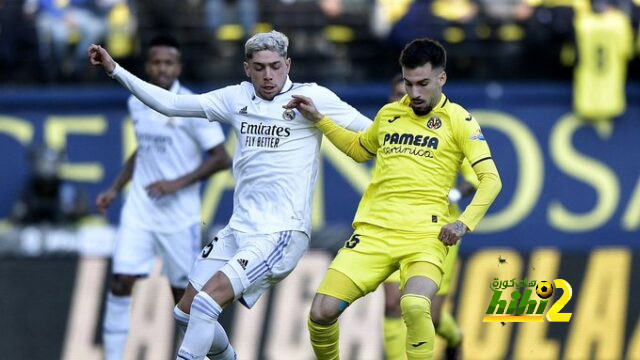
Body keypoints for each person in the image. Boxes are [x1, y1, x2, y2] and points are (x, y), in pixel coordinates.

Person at [88, 30, 372, 360]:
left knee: (207, 304)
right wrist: (114, 69)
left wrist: (323, 120)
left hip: (281, 232)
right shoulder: (236, 99)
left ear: (288, 64)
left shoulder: (313, 97)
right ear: (246, 68)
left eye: (276, 66)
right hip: (239, 229)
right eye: (260, 67)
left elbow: (371, 131)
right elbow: (171, 104)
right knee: (185, 313)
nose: (268, 75)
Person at [285, 38, 502, 359]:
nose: (414, 93)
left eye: (423, 84)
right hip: (373, 233)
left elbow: (490, 180)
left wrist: (463, 223)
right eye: (409, 84)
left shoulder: (459, 120)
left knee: (414, 305)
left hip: (425, 236)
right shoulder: (389, 114)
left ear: (441, 79)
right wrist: (321, 121)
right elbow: (360, 149)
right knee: (321, 313)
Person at [94, 35, 232, 360]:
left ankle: (217, 355)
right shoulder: (137, 100)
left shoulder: (191, 106)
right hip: (140, 212)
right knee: (120, 282)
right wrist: (114, 189)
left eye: (168, 62)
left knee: (184, 302)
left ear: (178, 67)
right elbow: (142, 150)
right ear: (147, 65)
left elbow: (221, 158)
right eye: (156, 62)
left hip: (179, 217)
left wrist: (176, 183)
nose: (161, 68)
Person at [380, 74, 475, 360]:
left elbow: (473, 176)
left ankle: (454, 336)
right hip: (393, 226)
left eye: (407, 93)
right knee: (393, 304)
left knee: (427, 316)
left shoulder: (448, 125)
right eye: (398, 94)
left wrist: (453, 196)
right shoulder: (386, 126)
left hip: (437, 229)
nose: (403, 99)